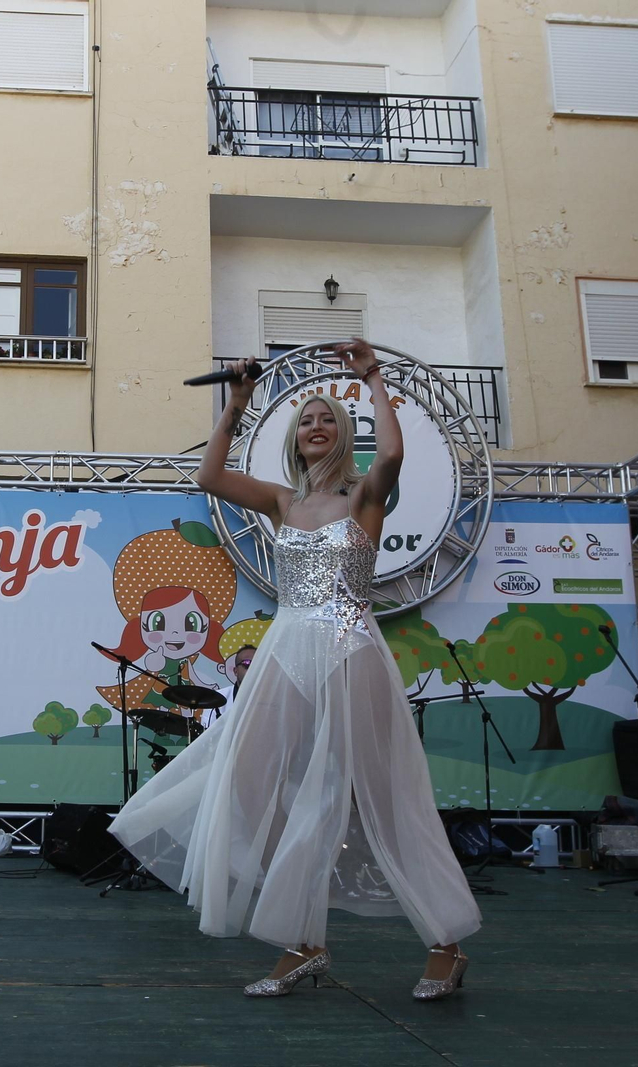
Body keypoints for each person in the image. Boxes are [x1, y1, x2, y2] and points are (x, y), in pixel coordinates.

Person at [110, 339, 481, 1001]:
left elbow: (392, 453)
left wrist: (371, 376)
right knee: (258, 781)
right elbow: (209, 478)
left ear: (343, 438)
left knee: (380, 796)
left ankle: (446, 943)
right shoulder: (282, 502)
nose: (315, 425)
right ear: (295, 437)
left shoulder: (366, 493)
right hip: (288, 645)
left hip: (347, 645)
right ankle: (302, 939)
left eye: (327, 419)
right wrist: (238, 403)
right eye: (306, 418)